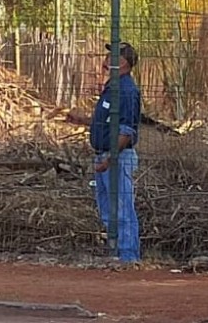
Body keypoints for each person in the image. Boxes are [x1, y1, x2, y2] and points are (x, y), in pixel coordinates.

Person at [68, 41, 141, 262]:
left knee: (121, 208)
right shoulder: (113, 88)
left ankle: (128, 258)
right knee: (109, 209)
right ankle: (118, 254)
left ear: (124, 62)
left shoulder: (126, 91)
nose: (107, 60)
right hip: (106, 157)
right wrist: (83, 120)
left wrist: (110, 158)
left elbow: (126, 131)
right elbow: (110, 123)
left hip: (117, 159)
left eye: (113, 57)